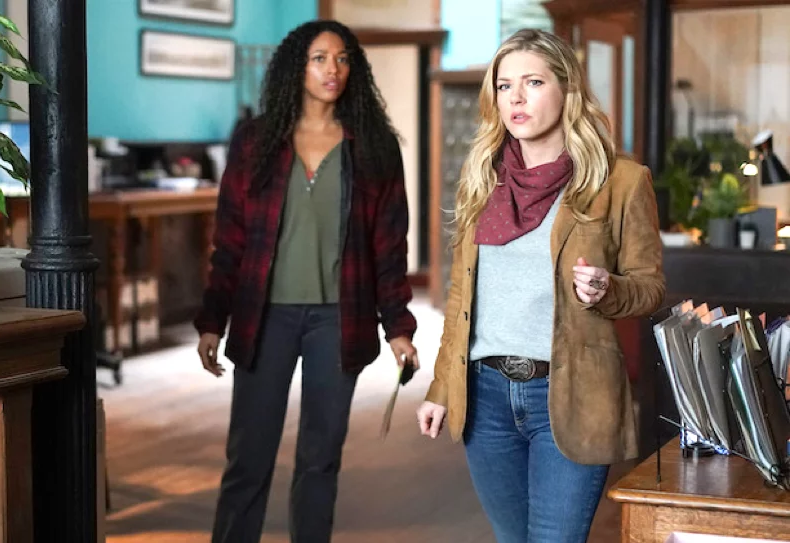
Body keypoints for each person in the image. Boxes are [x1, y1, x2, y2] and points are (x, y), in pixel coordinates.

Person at [416, 29, 665, 543]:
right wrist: (441, 388)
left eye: (533, 82)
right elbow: (463, 299)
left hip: (571, 395)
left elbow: (651, 287)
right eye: (505, 86)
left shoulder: (620, 181)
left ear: (567, 88)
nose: (517, 99)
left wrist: (609, 289)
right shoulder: (482, 177)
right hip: (485, 396)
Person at [194, 20, 419, 543]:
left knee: (320, 460)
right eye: (319, 58)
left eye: (342, 59)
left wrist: (399, 328)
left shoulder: (375, 146)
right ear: (297, 66)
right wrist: (212, 321)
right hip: (264, 318)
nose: (332, 69)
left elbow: (389, 246)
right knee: (248, 457)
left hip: (339, 321)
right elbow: (229, 239)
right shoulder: (255, 141)